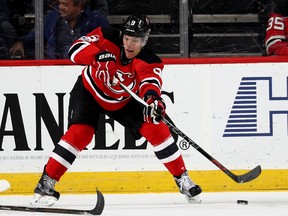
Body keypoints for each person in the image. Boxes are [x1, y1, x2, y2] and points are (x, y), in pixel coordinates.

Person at [30, 14, 202, 206]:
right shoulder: (106, 35)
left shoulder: (150, 59)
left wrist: (153, 100)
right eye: (127, 38)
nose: (129, 44)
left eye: (135, 40)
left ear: (144, 40)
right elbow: (74, 50)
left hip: (124, 100)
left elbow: (150, 83)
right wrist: (97, 56)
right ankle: (46, 183)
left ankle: (182, 178)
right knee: (80, 133)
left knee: (156, 126)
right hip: (89, 91)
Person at [9, 0, 109, 59]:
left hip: (86, 67)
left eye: (65, 4)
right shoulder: (52, 18)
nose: (60, 7)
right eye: (60, 3)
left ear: (79, 6)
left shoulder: (96, 21)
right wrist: (21, 42)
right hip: (55, 67)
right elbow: (34, 36)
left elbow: (107, 45)